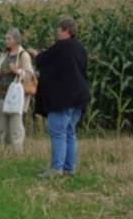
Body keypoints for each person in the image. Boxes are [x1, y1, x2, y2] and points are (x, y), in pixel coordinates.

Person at [28, 18, 89, 178]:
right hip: (79, 96)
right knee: (69, 132)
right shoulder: (81, 48)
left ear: (65, 30)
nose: (57, 33)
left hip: (63, 97)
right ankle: (69, 169)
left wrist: (36, 54)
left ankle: (56, 168)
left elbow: (42, 61)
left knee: (58, 132)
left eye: (59, 30)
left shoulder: (61, 45)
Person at [0, 28, 35, 152]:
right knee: (3, 127)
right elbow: (0, 71)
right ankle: (4, 150)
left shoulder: (23, 55)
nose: (6, 41)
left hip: (15, 97)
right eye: (6, 38)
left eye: (8, 38)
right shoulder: (4, 55)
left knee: (15, 126)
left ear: (16, 40)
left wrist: (17, 71)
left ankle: (17, 152)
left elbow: (30, 75)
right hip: (1, 94)